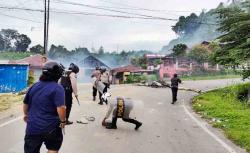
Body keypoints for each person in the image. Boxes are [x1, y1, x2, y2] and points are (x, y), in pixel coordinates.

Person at [23, 61, 66, 153]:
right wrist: (63, 121)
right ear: (57, 75)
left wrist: (26, 115)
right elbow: (61, 107)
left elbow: (25, 104)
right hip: (51, 128)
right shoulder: (58, 88)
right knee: (53, 149)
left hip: (32, 128)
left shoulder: (33, 86)